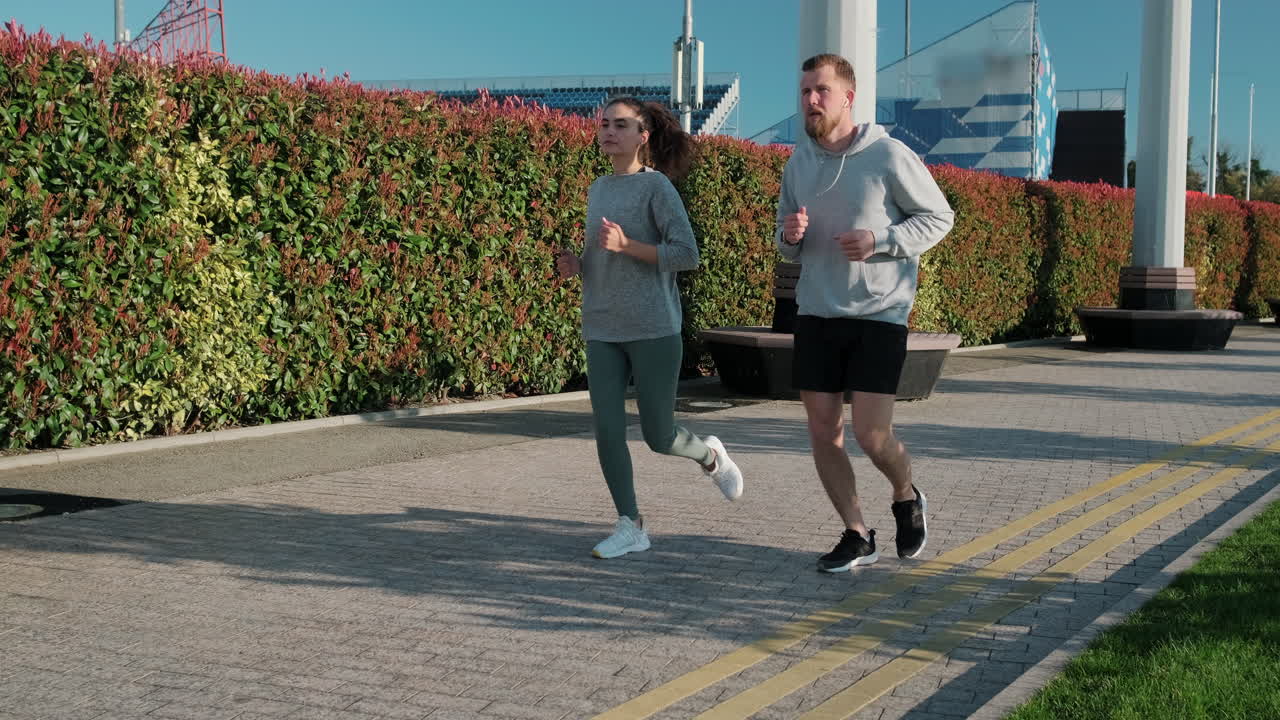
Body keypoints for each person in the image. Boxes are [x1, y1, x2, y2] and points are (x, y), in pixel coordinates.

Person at [776, 54, 954, 573]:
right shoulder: (797, 163)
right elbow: (785, 241)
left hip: (879, 314)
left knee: (871, 435)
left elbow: (939, 217)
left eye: (821, 91)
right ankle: (857, 534)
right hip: (816, 313)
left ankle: (906, 494)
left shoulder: (888, 154)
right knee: (822, 432)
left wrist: (881, 240)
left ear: (848, 98)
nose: (811, 100)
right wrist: (789, 236)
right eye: (805, 91)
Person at [556, 97, 744, 559]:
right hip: (602, 325)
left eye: (621, 125)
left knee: (659, 437)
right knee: (607, 430)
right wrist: (577, 265)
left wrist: (627, 245)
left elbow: (686, 254)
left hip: (653, 326)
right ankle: (631, 524)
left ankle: (710, 455)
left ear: (643, 136)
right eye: (604, 123)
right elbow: (602, 259)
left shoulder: (656, 187)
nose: (608, 131)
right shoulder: (598, 188)